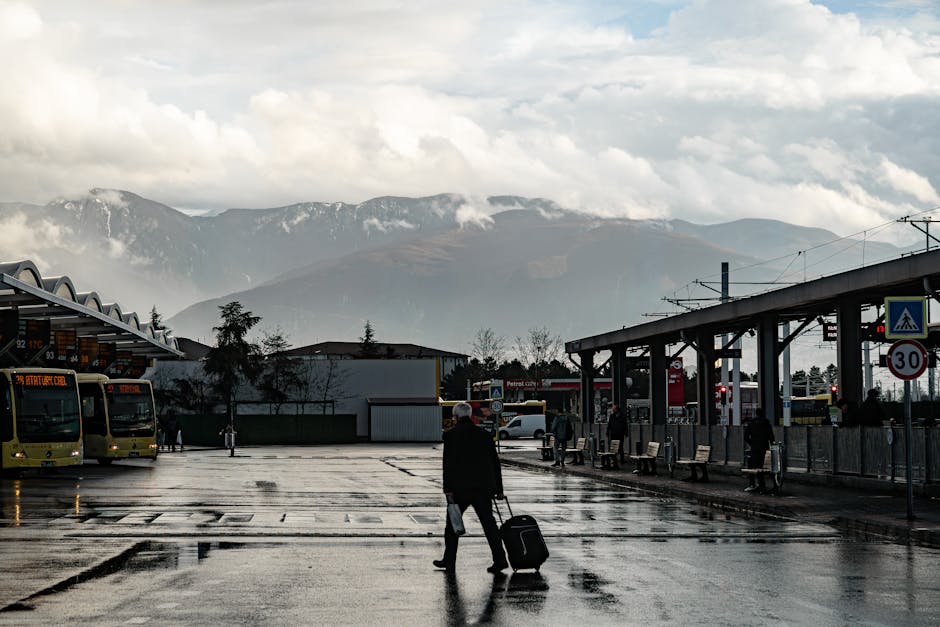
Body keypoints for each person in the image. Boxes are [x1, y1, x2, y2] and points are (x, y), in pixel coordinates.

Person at [434, 402, 508, 574]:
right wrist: (499, 489)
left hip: (459, 490)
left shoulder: (450, 435)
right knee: (489, 526)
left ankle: (449, 561)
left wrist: (448, 489)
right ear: (470, 415)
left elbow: (448, 464)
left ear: (456, 417)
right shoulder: (484, 435)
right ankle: (500, 560)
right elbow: (495, 463)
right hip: (483, 489)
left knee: (452, 526)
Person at [743, 407, 774, 493]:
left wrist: (752, 443)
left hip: (755, 448)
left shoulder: (751, 423)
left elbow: (746, 437)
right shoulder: (766, 423)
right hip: (764, 448)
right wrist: (772, 445)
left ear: (756, 413)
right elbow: (771, 436)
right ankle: (762, 487)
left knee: (754, 465)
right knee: (761, 466)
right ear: (763, 413)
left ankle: (754, 485)